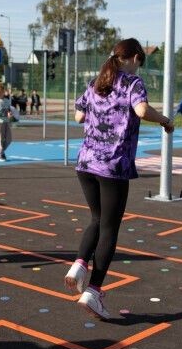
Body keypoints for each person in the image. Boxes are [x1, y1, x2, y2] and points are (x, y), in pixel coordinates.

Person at [66, 38, 174, 319]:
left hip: (86, 163)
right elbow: (141, 110)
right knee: (110, 228)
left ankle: (78, 264)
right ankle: (93, 291)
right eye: (141, 64)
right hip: (113, 166)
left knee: (96, 219)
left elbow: (78, 115)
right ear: (136, 58)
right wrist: (164, 120)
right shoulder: (132, 83)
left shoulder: (96, 82)